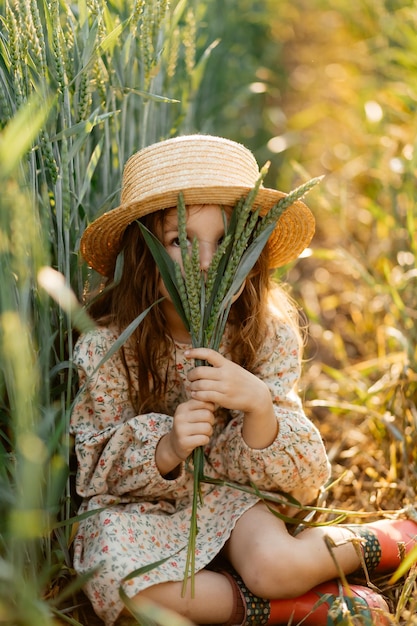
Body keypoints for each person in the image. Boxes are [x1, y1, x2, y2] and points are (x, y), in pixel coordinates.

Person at [71, 135, 416, 626]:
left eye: (225, 243)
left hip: (231, 495)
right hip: (138, 512)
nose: (205, 263)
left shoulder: (263, 332)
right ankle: (301, 609)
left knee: (275, 566)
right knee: (120, 585)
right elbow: (92, 463)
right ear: (144, 252)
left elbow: (303, 474)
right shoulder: (104, 346)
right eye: (179, 241)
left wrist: (258, 407)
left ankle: (388, 538)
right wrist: (165, 448)